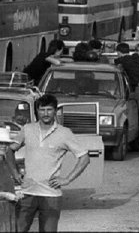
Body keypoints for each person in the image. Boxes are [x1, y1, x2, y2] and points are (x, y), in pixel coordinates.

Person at [8, 94, 90, 232]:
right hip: (27, 192)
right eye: (42, 110)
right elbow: (9, 152)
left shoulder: (65, 133)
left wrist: (67, 179)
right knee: (18, 230)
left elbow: (85, 158)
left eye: (49, 110)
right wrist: (15, 173)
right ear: (37, 111)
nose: (45, 114)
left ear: (55, 111)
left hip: (51, 195)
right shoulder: (27, 129)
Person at [0, 127, 23, 232]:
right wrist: (6, 195)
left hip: (9, 209)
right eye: (0, 143)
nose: (4, 146)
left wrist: (17, 191)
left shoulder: (5, 162)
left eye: (6, 143)